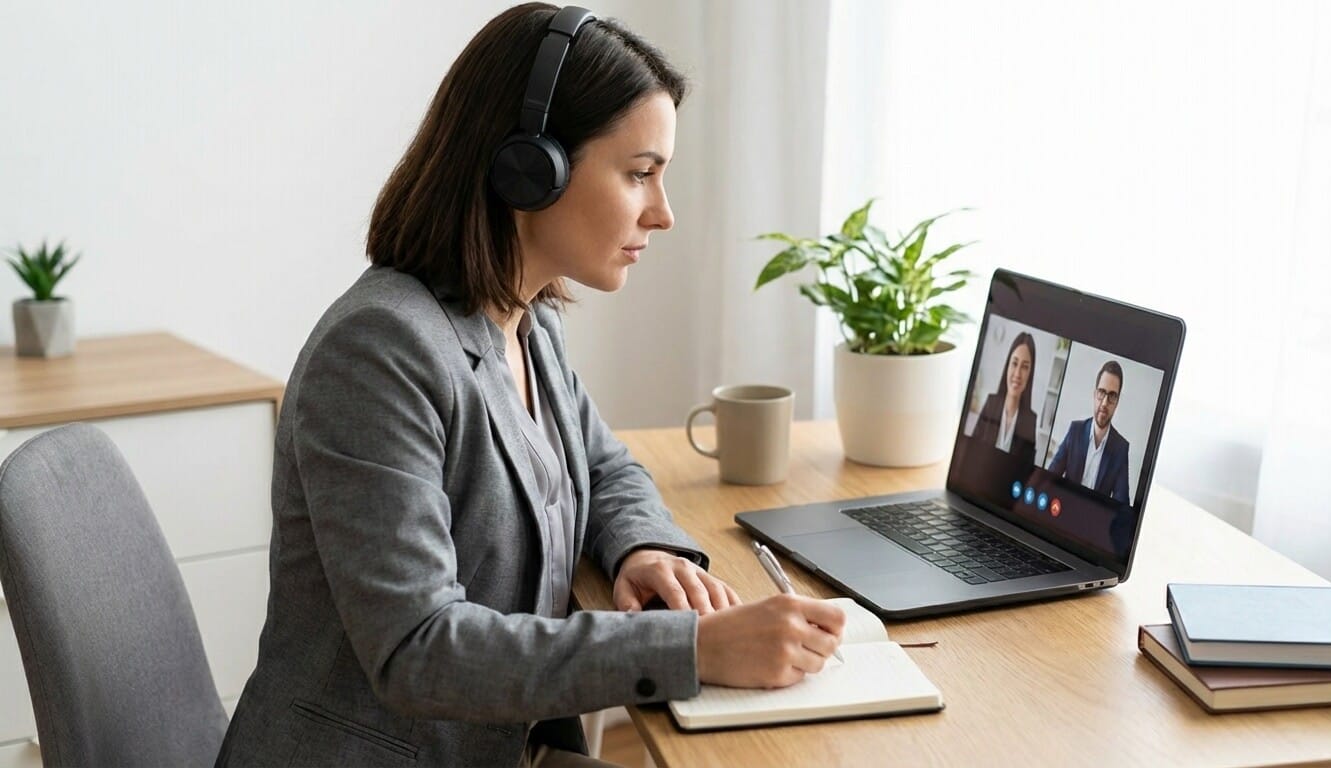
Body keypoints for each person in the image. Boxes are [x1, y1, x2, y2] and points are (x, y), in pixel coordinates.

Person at [215, 6, 845, 767]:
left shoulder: (526, 317)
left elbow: (604, 466)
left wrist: (641, 547)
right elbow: (419, 647)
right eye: (640, 173)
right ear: (529, 167)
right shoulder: (379, 351)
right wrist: (691, 646)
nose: (663, 212)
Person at [1047, 360, 1131, 504]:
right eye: (1102, 392)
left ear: (1117, 402)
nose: (1104, 403)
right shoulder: (1075, 431)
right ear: (1094, 394)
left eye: (1112, 396)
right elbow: (1050, 477)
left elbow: (1121, 504)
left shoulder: (1121, 448)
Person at [970, 332, 1039, 465]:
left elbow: (1026, 469)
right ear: (1007, 366)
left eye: (1025, 367)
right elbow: (972, 448)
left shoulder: (1030, 420)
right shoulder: (991, 403)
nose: (1017, 373)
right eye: (1014, 363)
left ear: (1030, 374)